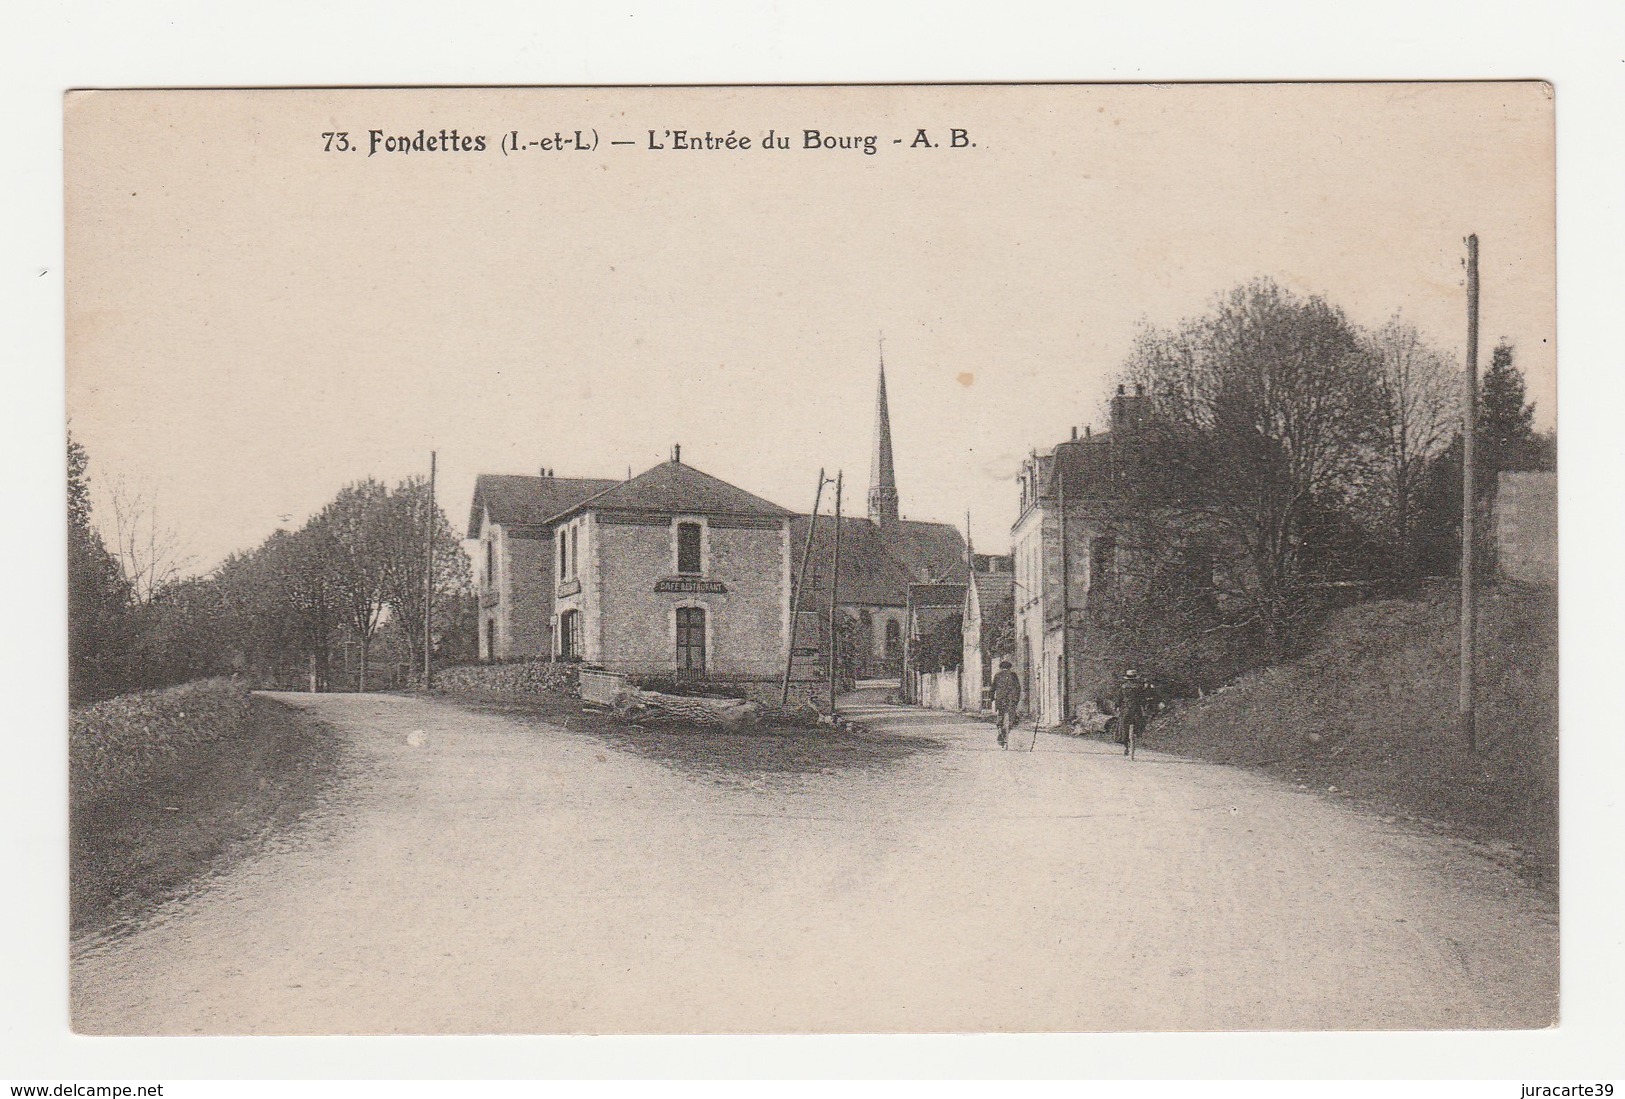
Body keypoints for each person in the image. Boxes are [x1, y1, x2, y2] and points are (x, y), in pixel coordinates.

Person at [1115, 668, 1156, 756]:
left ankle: (1125, 745)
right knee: (1141, 721)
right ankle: (1137, 734)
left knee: (1122, 725)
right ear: (1135, 678)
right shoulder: (1139, 687)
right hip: (1136, 708)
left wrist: (1117, 706)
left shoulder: (1123, 686)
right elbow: (1143, 697)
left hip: (1126, 708)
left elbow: (1119, 698)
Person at [991, 660, 1022, 750]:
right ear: (1010, 667)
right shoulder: (1013, 675)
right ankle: (1006, 730)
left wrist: (992, 699)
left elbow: (993, 688)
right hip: (1011, 701)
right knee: (1012, 718)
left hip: (1000, 700)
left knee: (1000, 716)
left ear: (1001, 667)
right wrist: (1017, 699)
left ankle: (1000, 730)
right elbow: (1018, 688)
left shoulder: (997, 675)